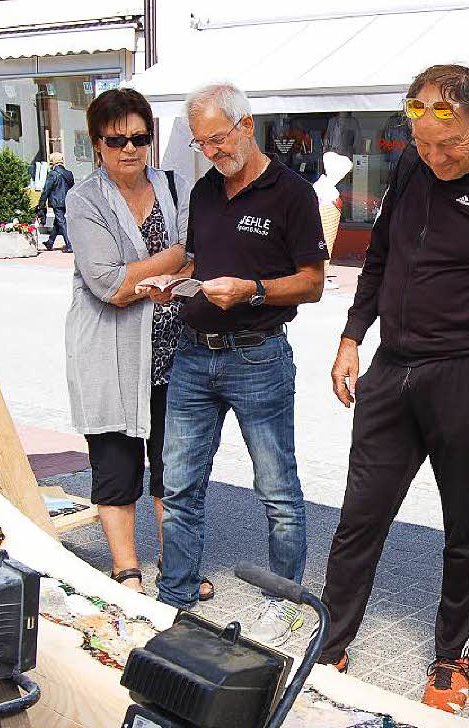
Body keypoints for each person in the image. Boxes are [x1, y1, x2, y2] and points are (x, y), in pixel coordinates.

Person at [317, 64, 469, 714]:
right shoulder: (412, 170)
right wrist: (351, 335)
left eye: (448, 145)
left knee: (461, 527)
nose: (436, 158)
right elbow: (382, 256)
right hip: (394, 370)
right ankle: (331, 641)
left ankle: (451, 655)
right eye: (423, 145)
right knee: (359, 514)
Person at [152, 83, 325, 645]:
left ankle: (288, 607)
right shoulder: (204, 191)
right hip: (192, 355)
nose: (211, 151)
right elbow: (203, 262)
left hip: (258, 355)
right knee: (179, 487)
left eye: (218, 138)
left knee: (276, 491)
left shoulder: (291, 193)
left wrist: (251, 290)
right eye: (201, 143)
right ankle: (173, 598)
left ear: (246, 125)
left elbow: (313, 283)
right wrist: (177, 286)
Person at [64, 88, 194, 595]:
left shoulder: (176, 186)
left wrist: (154, 270)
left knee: (173, 467)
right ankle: (126, 572)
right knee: (116, 463)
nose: (129, 150)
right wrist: (174, 257)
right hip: (111, 353)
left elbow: (197, 260)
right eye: (116, 139)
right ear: (97, 143)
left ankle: (175, 569)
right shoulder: (84, 199)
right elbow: (110, 286)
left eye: (140, 138)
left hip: (173, 351)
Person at [38, 152, 75, 252]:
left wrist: (41, 204)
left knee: (61, 222)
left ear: (53, 161)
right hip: (67, 200)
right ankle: (50, 242)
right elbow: (72, 188)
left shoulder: (53, 174)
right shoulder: (69, 173)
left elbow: (46, 190)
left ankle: (70, 244)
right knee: (58, 222)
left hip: (57, 202)